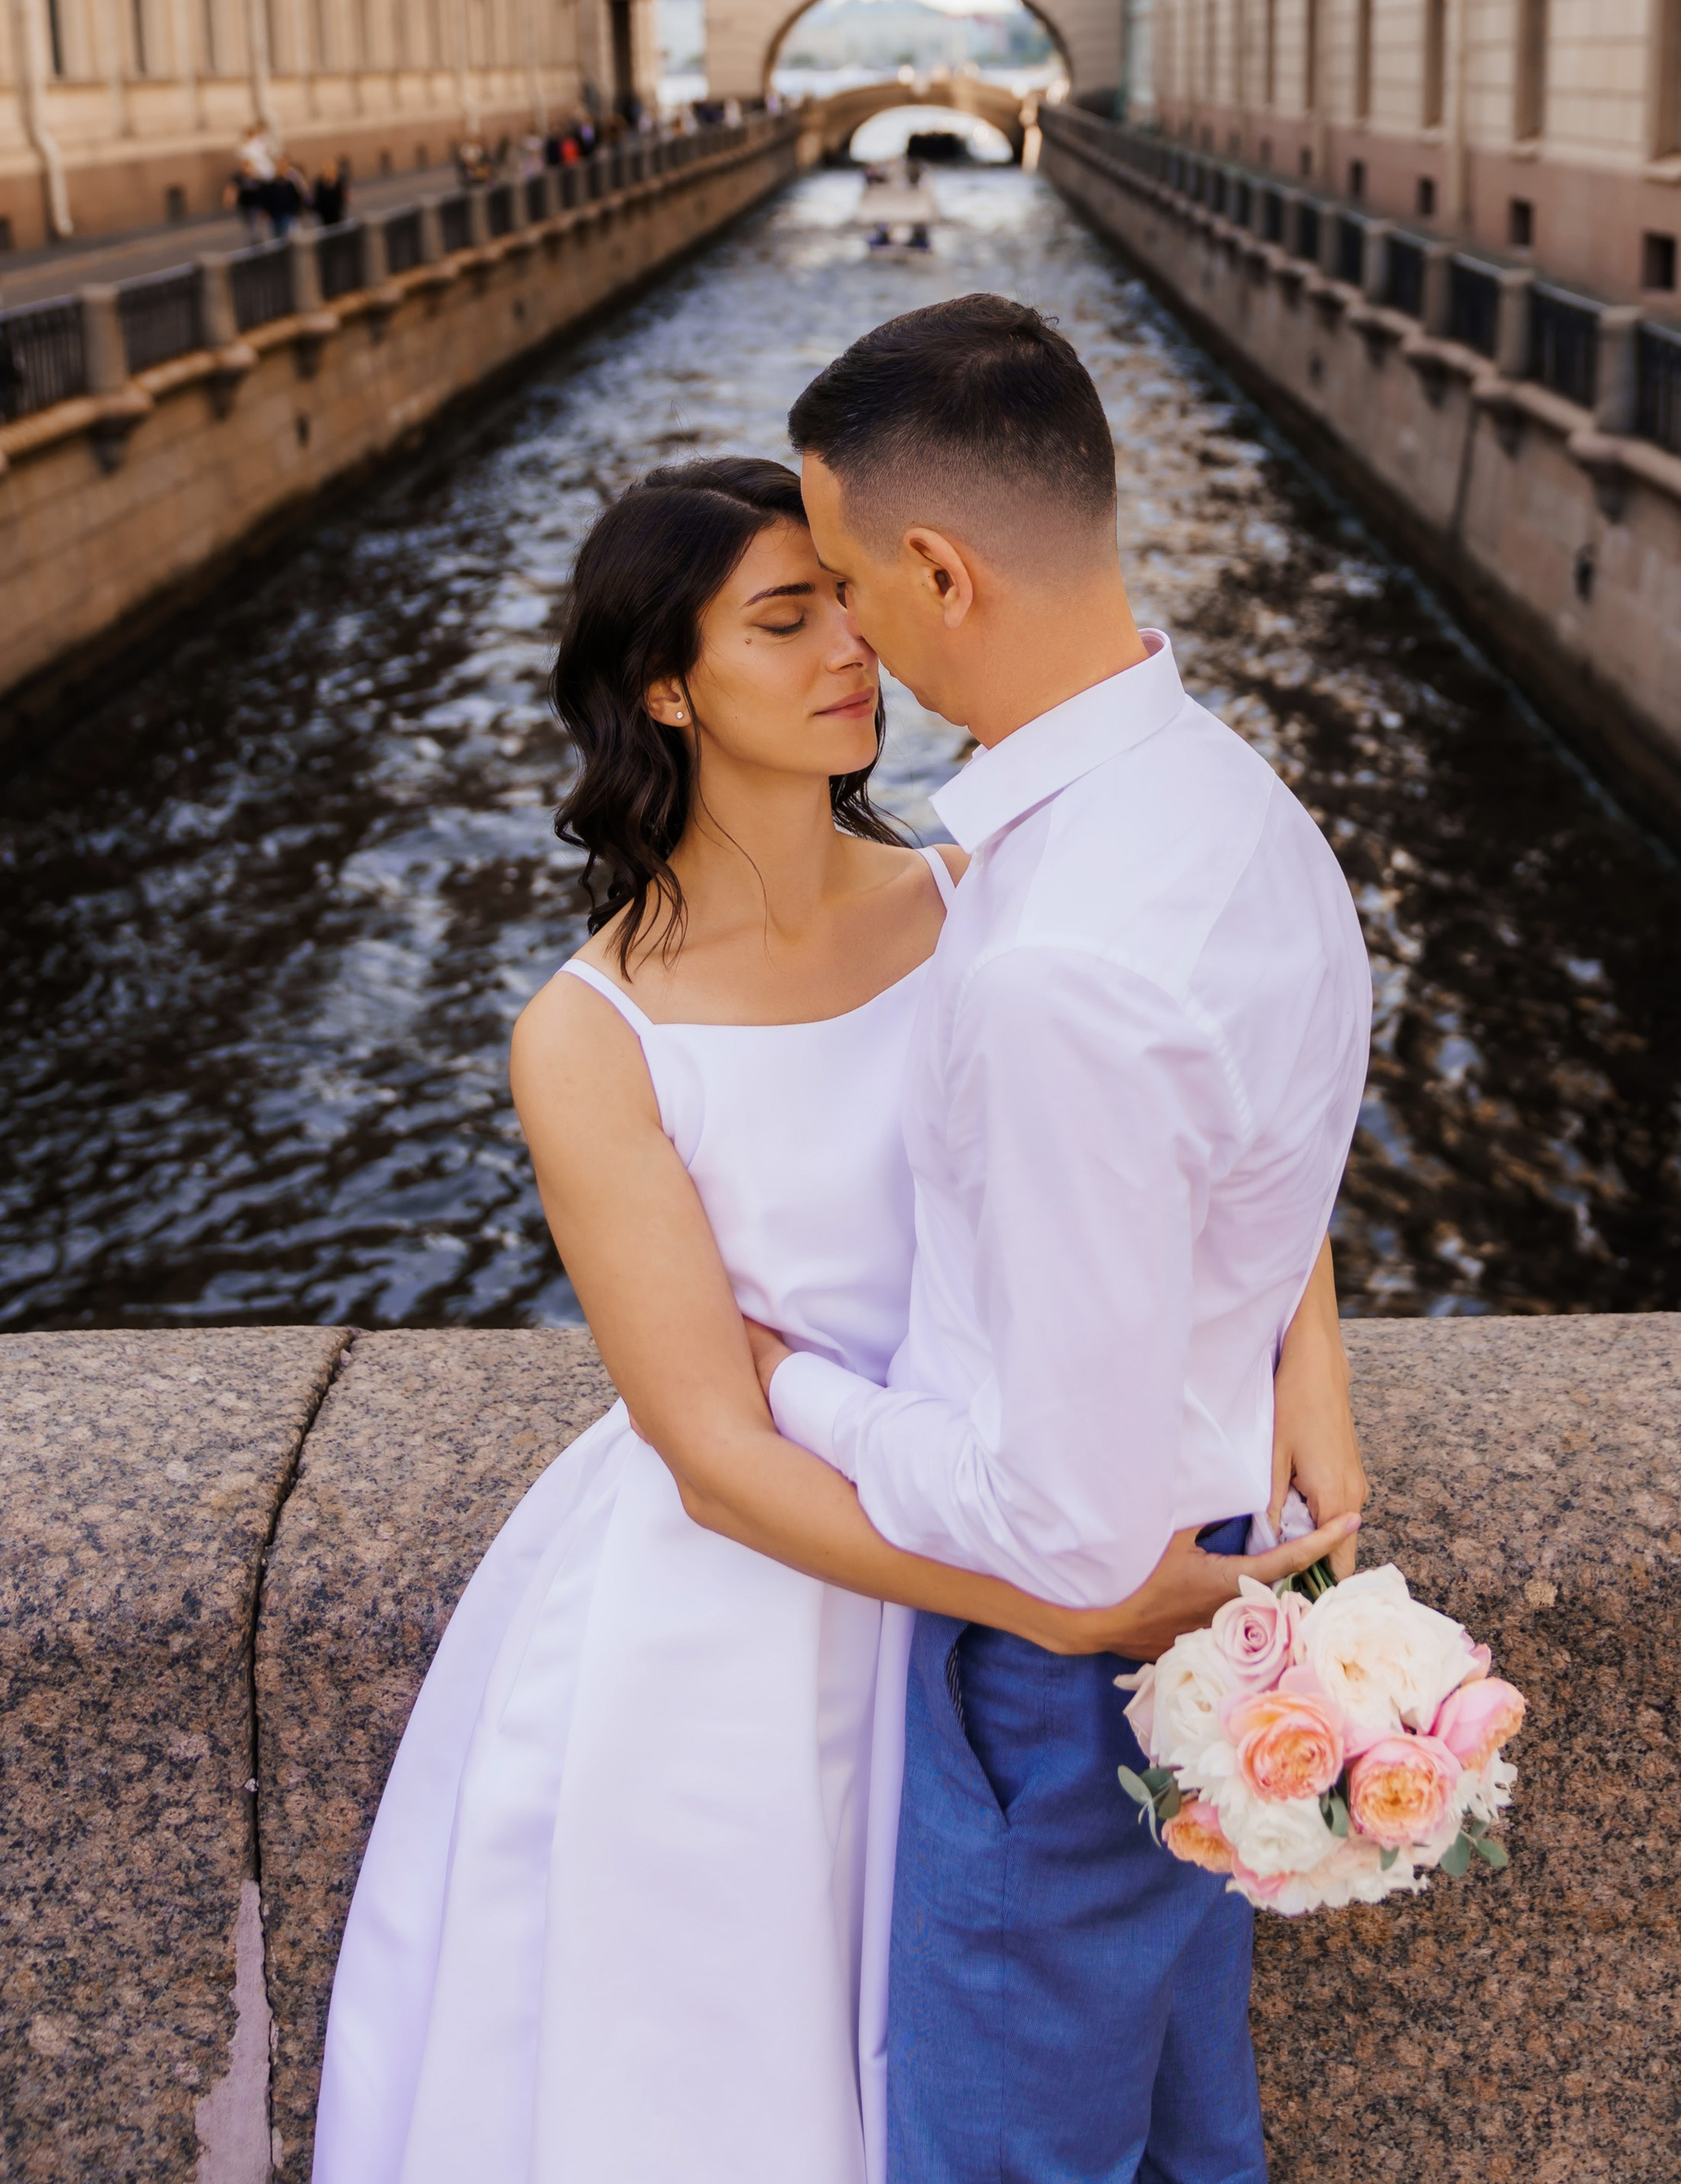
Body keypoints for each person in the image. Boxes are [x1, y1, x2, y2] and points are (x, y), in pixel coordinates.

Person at [311, 455, 1357, 2184]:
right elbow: (713, 1450)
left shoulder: (975, 894)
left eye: (846, 604)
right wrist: (1060, 1606)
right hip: (764, 1608)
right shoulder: (591, 1035)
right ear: (665, 687)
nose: (848, 653)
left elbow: (1213, 1129)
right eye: (781, 622)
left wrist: (1306, 1361)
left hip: (1009, 1512)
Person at [770, 294, 1375, 2184]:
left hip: (1062, 1683)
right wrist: (1300, 1362)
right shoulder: (1236, 807)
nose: (843, 630)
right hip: (1222, 1584)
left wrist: (803, 1393)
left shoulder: (1056, 968)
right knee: (1189, 2137)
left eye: (846, 580)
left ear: (938, 571)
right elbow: (1258, 1179)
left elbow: (1060, 1538)